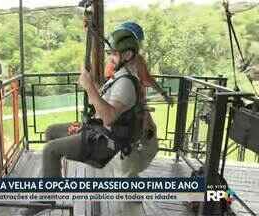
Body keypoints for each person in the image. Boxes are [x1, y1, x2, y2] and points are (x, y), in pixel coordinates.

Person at [22, 21, 158, 216]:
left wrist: (89, 87)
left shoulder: (126, 83)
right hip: (98, 130)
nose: (110, 57)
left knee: (50, 150)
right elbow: (103, 106)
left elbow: (109, 117)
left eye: (114, 54)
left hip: (105, 142)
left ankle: (47, 197)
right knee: (51, 131)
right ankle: (54, 178)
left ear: (127, 55)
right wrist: (90, 92)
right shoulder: (119, 77)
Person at [105, 22, 174, 106]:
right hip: (132, 105)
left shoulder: (115, 61)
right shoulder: (135, 60)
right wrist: (164, 94)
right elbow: (147, 79)